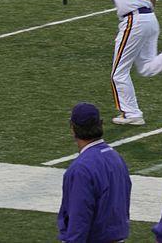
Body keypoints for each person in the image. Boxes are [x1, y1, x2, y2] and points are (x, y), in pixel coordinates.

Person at [57, 103, 131, 242]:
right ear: (101, 124)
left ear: (72, 128)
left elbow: (79, 217)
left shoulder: (80, 168)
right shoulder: (116, 157)